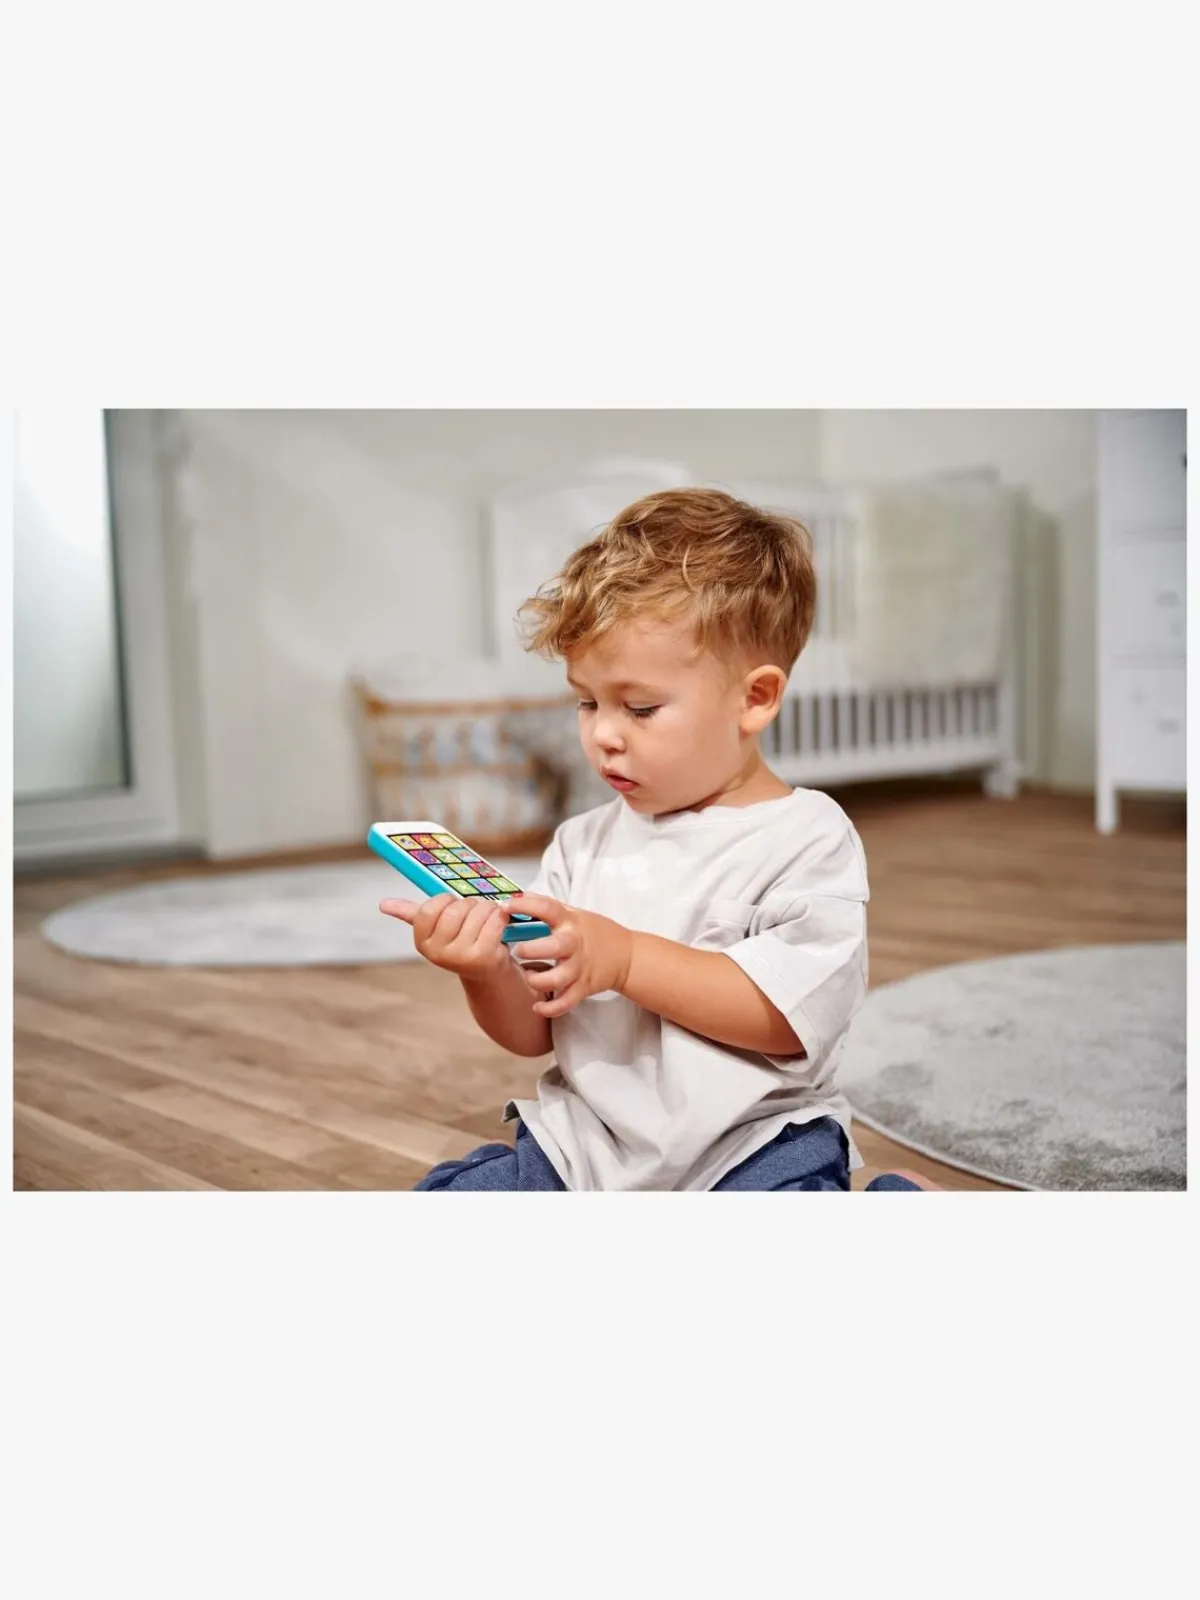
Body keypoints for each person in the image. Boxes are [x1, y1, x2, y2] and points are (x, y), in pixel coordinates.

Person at [381, 487, 931, 1192]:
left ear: (755, 698)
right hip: (584, 1148)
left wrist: (625, 959)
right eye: (587, 701)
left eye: (640, 708)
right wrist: (484, 971)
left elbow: (786, 1019)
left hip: (751, 1152)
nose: (603, 734)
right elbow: (533, 1032)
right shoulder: (580, 845)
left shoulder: (807, 839)